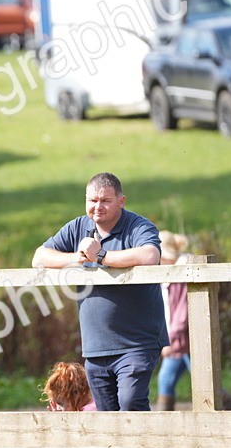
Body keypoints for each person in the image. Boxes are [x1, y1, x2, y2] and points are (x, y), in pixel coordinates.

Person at [32, 172, 167, 411]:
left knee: (131, 401)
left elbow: (150, 255)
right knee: (105, 414)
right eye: (92, 201)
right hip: (95, 346)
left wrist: (101, 256)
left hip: (137, 342)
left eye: (105, 201)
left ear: (121, 201)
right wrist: (77, 257)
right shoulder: (77, 227)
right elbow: (39, 258)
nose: (98, 207)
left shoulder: (138, 226)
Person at [155, 232, 231, 412]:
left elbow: (182, 313)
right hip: (182, 339)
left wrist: (170, 339)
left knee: (203, 382)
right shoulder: (169, 276)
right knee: (168, 380)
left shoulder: (179, 276)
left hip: (186, 339)